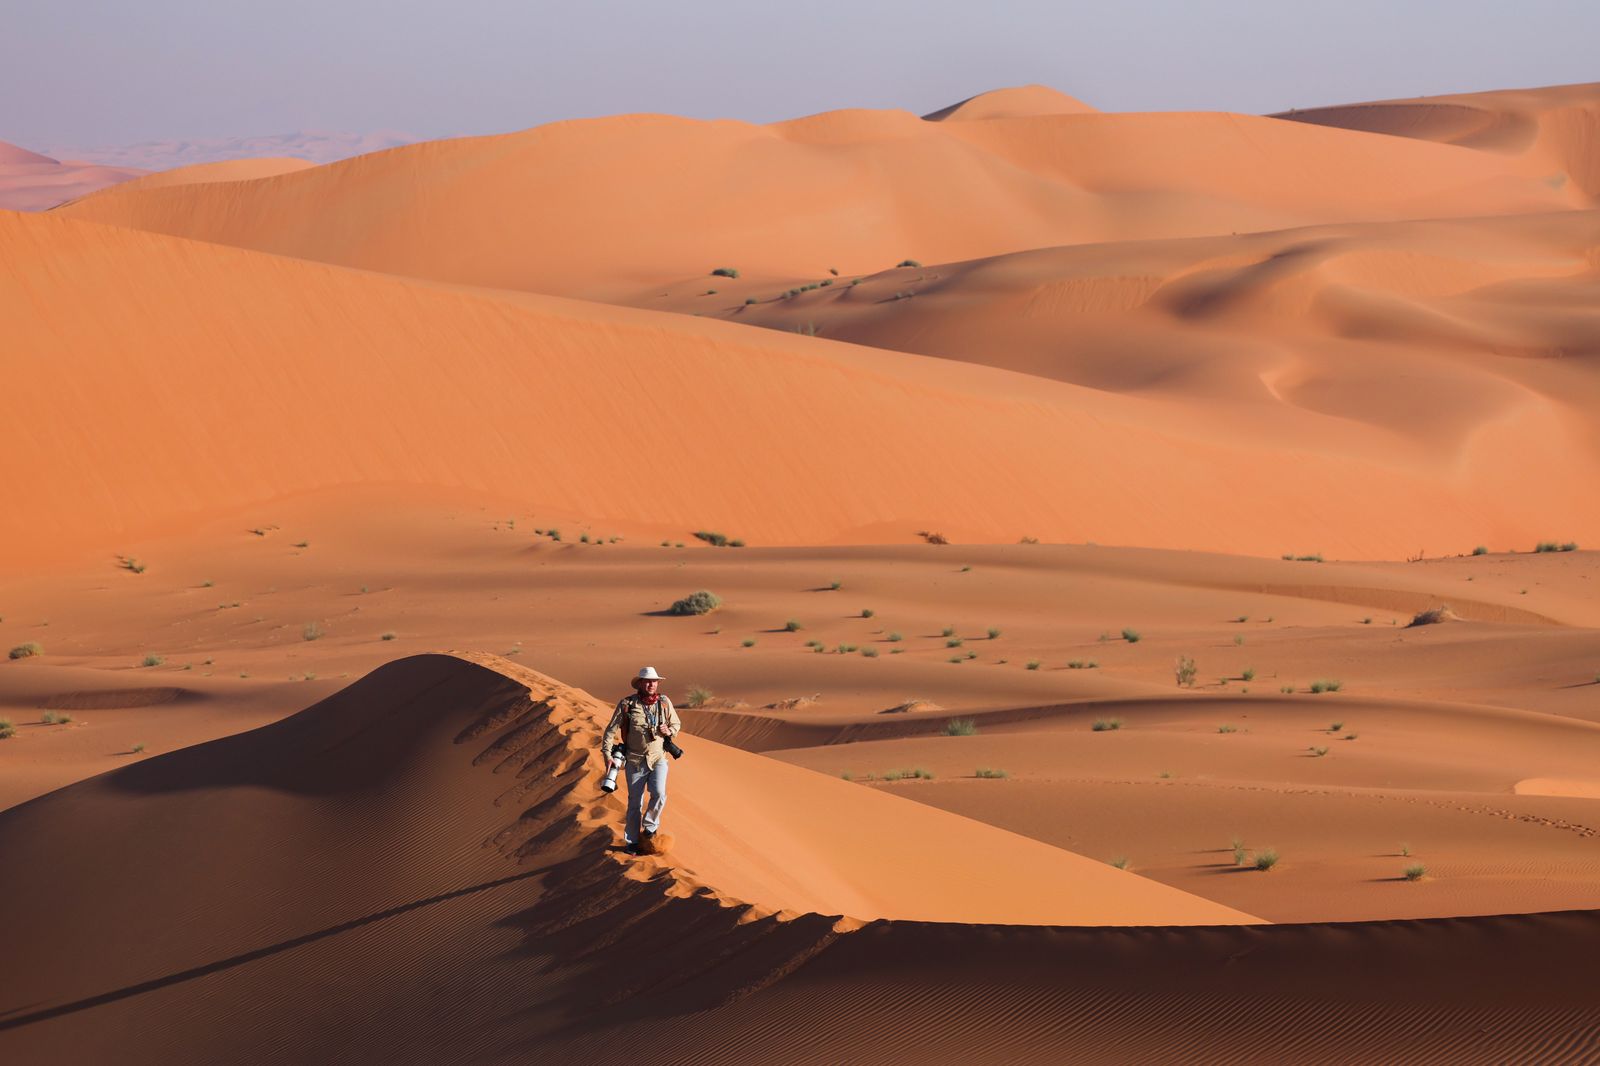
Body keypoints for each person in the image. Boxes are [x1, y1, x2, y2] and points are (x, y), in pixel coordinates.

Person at [600, 666, 682, 854]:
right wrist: (607, 756)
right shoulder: (627, 704)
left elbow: (676, 723)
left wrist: (670, 731)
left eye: (654, 681)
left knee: (659, 793)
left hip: (659, 757)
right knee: (634, 802)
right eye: (647, 681)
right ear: (640, 684)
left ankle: (650, 829)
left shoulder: (663, 702)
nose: (651, 684)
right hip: (635, 761)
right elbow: (610, 731)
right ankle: (632, 842)